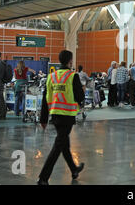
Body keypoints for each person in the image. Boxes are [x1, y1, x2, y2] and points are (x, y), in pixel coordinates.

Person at [38, 50, 85, 185]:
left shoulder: (51, 77)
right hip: (67, 116)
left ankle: (74, 169)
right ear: (70, 61)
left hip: (55, 115)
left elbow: (45, 98)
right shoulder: (72, 76)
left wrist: (43, 118)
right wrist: (81, 90)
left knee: (64, 144)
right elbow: (79, 98)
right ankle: (43, 177)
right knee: (58, 146)